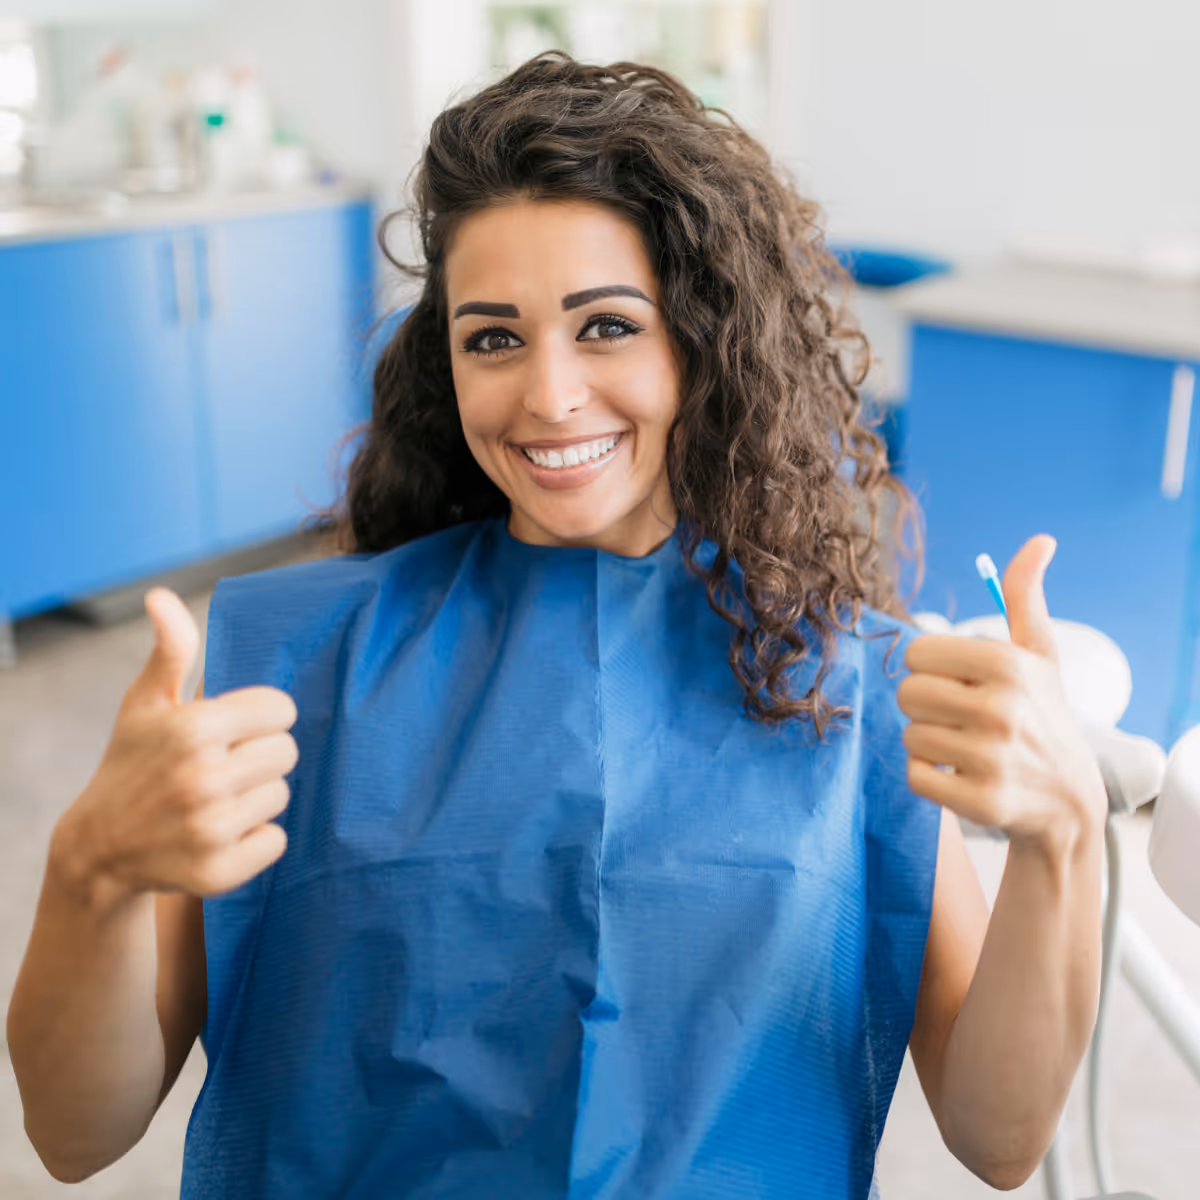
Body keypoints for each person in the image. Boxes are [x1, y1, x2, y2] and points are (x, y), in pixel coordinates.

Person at [7, 52, 1108, 1199]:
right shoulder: (296, 668)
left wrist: (1061, 840)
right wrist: (90, 873)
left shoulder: (847, 682)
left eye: (606, 326)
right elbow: (75, 1134)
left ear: (703, 339)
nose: (547, 394)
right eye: (494, 337)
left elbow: (997, 1136)